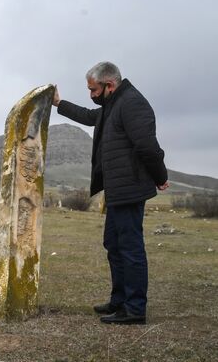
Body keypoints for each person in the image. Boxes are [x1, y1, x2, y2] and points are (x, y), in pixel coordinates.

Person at [52, 61, 169, 325]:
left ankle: (135, 309)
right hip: (117, 190)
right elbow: (88, 117)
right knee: (114, 245)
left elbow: (148, 147)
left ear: (109, 85)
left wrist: (160, 177)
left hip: (130, 189)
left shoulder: (132, 103)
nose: (91, 95)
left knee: (130, 249)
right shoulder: (111, 105)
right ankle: (119, 301)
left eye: (93, 90)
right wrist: (59, 103)